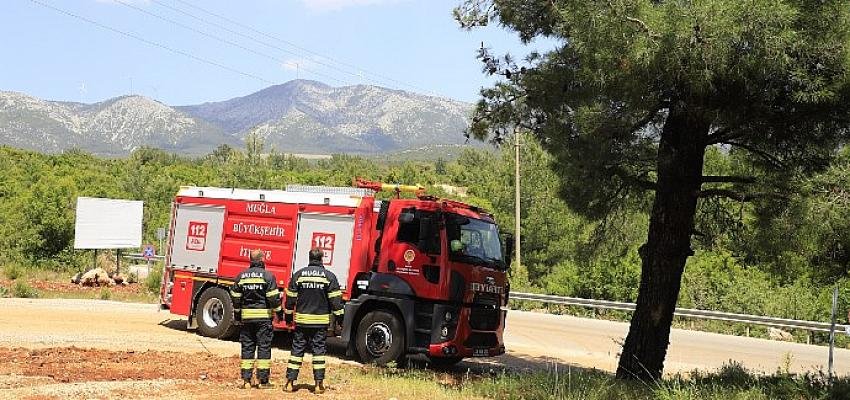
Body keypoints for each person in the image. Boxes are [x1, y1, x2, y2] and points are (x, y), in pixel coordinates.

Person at [281, 247, 344, 394]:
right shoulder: (329, 277)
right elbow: (336, 302)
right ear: (321, 258)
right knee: (318, 353)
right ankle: (318, 385)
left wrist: (288, 317)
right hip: (320, 323)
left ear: (310, 258)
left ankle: (289, 383)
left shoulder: (299, 275)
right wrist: (341, 319)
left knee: (297, 351)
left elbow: (290, 300)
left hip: (302, 321)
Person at [230, 249, 281, 389]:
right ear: (262, 259)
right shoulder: (268, 276)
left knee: (247, 348)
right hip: (263, 319)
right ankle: (262, 381)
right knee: (264, 348)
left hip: (247, 319)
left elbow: (235, 296)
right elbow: (273, 298)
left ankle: (246, 380)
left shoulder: (241, 276)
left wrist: (238, 313)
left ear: (250, 260)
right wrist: (279, 313)